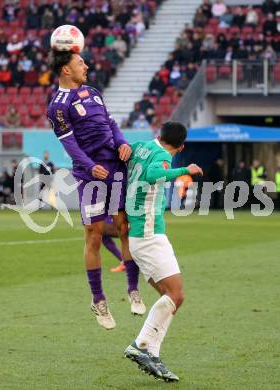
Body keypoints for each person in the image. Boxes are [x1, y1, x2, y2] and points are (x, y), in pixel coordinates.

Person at [47, 50, 145, 330]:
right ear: (66, 70)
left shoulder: (93, 92)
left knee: (124, 226)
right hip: (90, 176)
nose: (86, 66)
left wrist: (123, 142)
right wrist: (90, 167)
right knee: (94, 235)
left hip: (115, 168)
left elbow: (111, 124)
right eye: (80, 63)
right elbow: (70, 145)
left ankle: (133, 289)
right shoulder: (57, 106)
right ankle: (99, 299)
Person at [123, 122, 203, 381]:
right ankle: (141, 345)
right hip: (149, 234)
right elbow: (153, 174)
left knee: (170, 299)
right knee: (176, 295)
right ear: (181, 147)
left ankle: (152, 352)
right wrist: (185, 169)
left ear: (159, 135)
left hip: (139, 235)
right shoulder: (162, 156)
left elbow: (125, 149)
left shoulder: (144, 146)